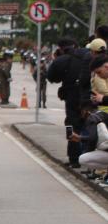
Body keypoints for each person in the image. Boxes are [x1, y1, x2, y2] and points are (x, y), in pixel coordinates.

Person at [47, 38, 92, 167]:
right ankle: (90, 157)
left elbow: (51, 77)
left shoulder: (63, 59)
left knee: (71, 125)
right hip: (92, 95)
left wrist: (57, 60)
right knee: (92, 124)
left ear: (61, 48)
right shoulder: (89, 55)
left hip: (73, 96)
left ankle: (74, 158)